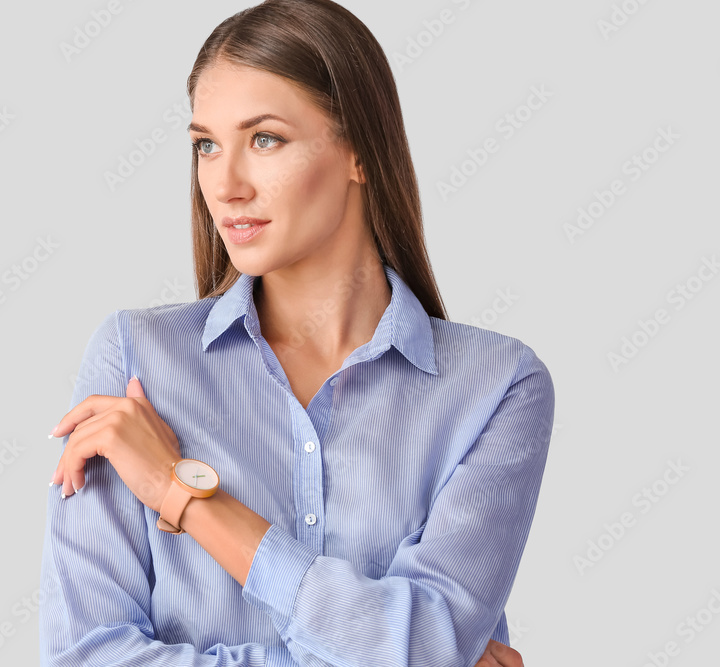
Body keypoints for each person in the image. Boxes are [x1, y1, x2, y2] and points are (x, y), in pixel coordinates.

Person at [39, 1, 554, 665]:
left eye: (265, 139)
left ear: (359, 154)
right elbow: (86, 657)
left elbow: (426, 648)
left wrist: (184, 495)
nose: (223, 185)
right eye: (206, 145)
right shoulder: (136, 362)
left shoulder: (497, 388)